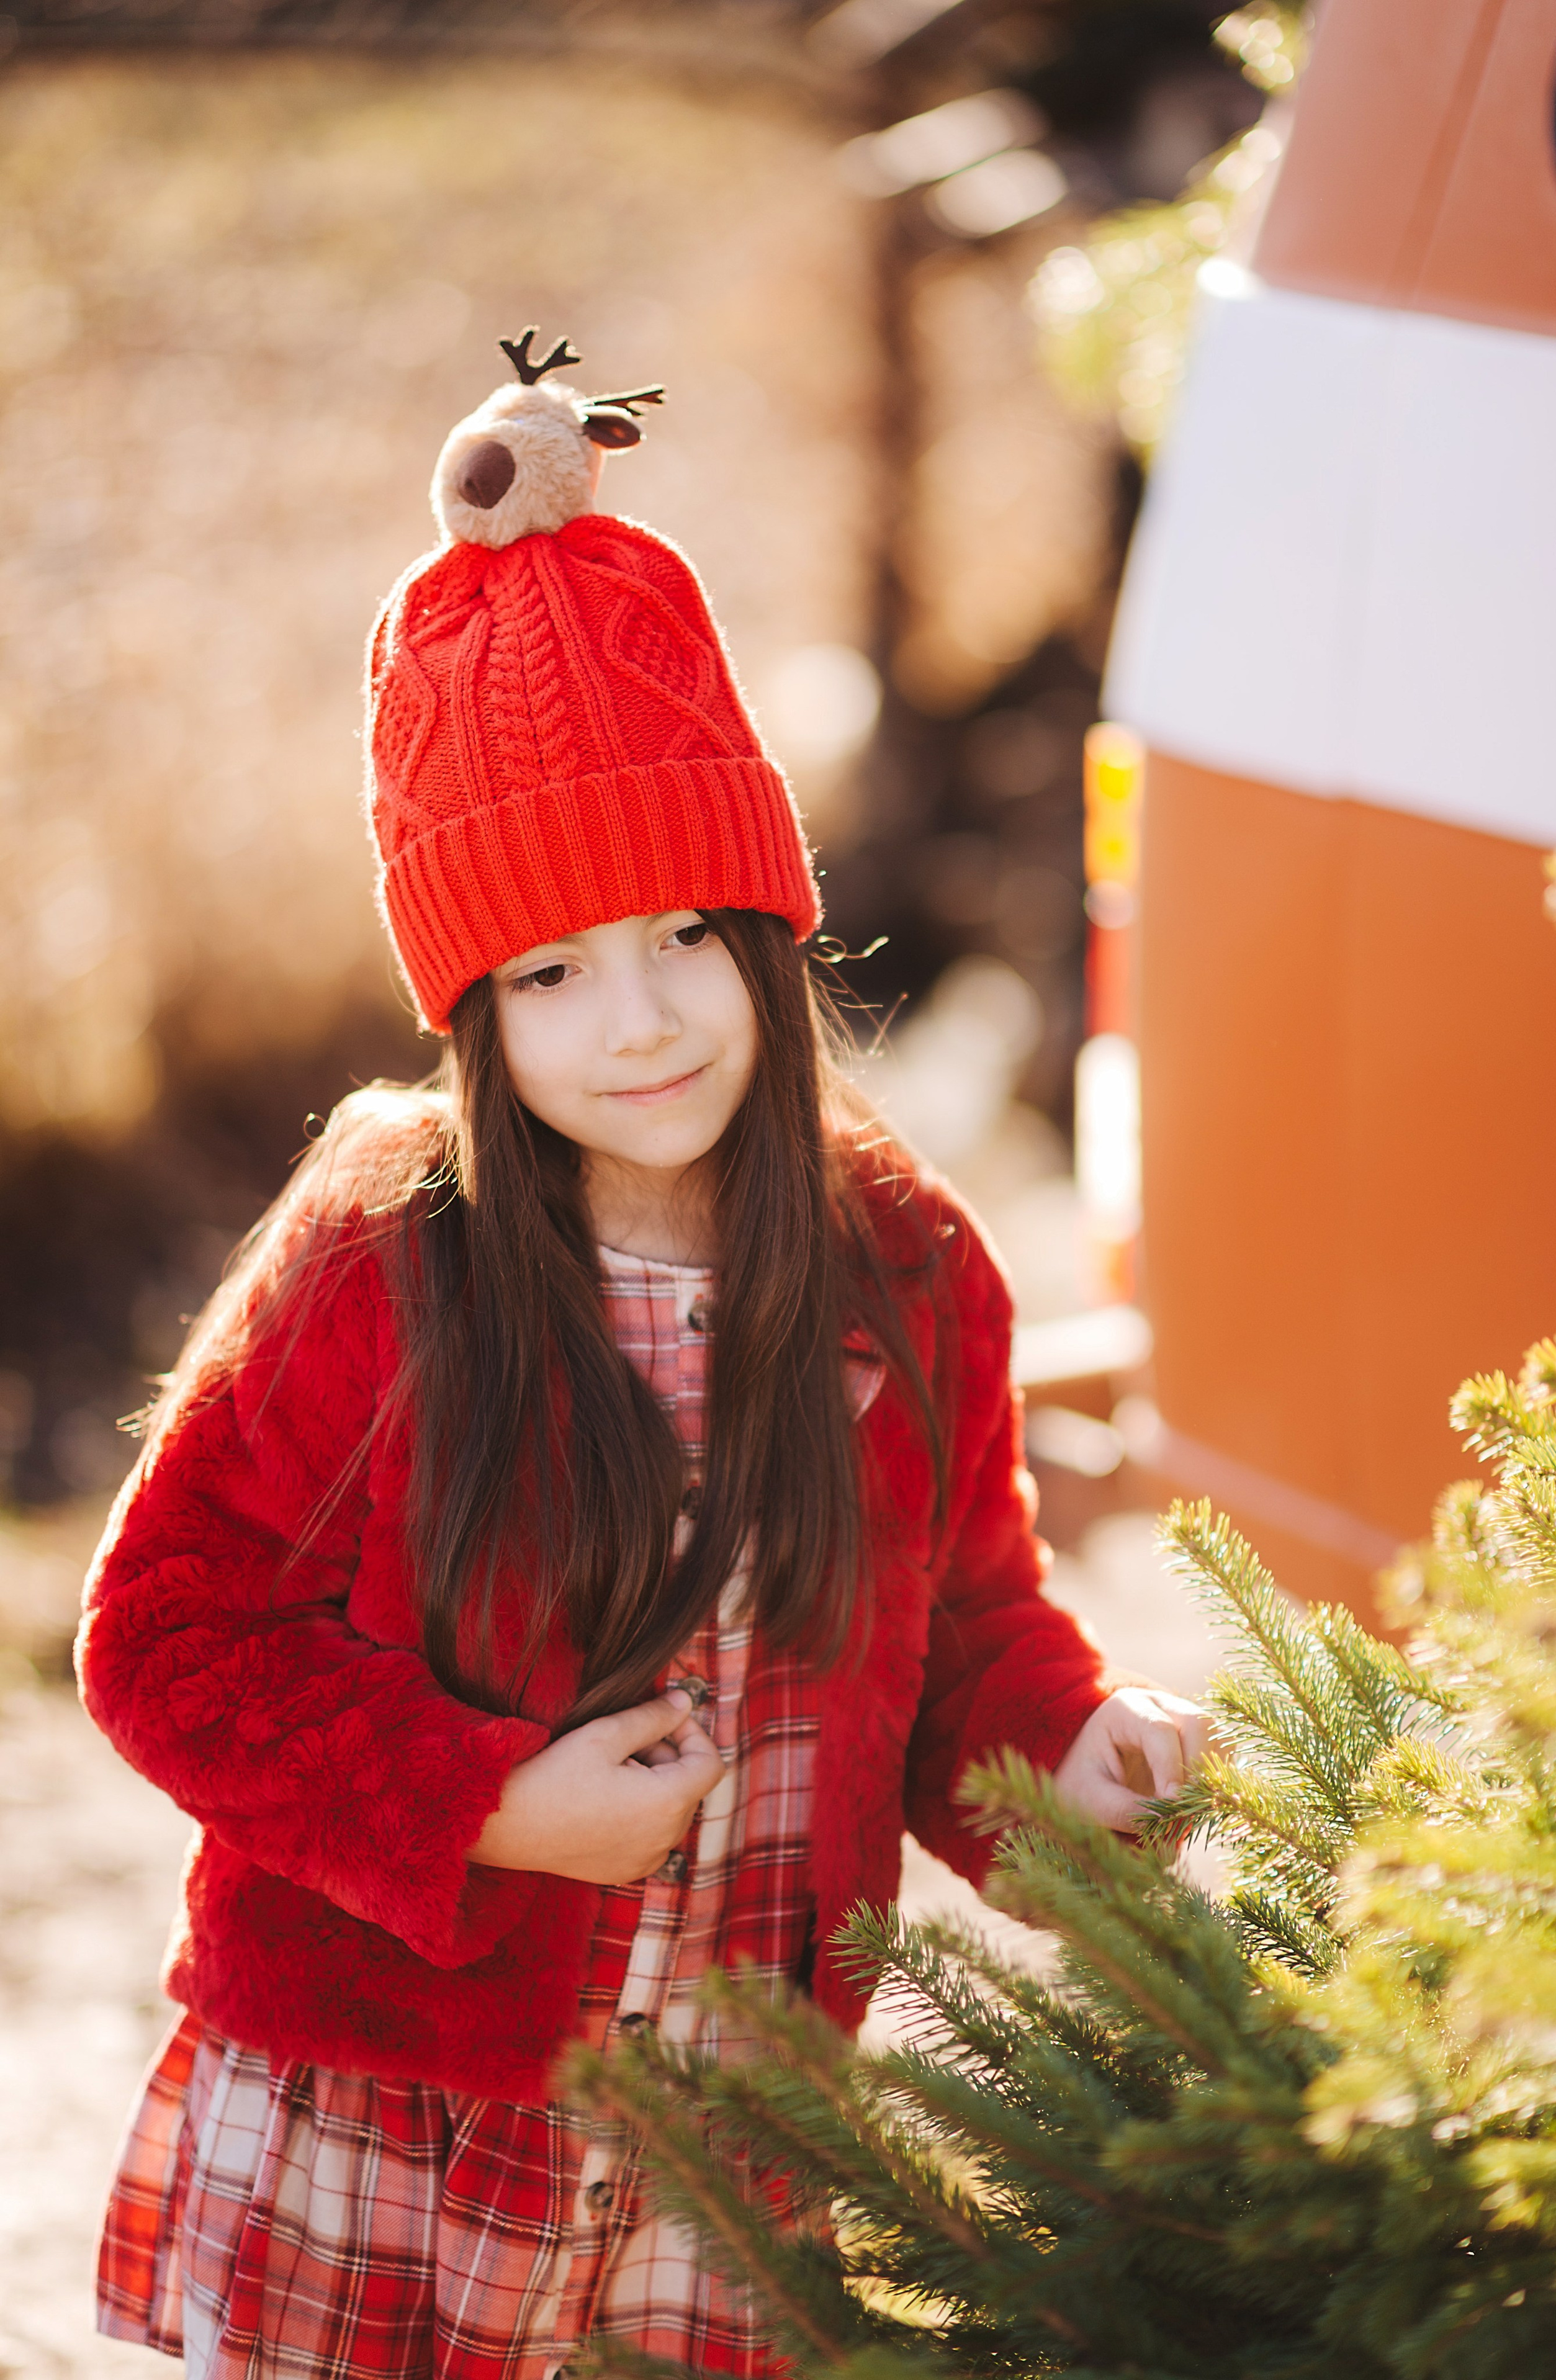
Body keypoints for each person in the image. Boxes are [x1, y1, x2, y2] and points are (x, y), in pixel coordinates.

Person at [78, 331, 1206, 2380]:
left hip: (736, 2127)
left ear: (772, 925)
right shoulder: (383, 1263)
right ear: (473, 1012)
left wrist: (1078, 1764)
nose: (645, 1018)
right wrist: (491, 1802)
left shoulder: (906, 1268)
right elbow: (165, 1636)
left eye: (691, 929)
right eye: (554, 969)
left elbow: (965, 1626)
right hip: (421, 2119)